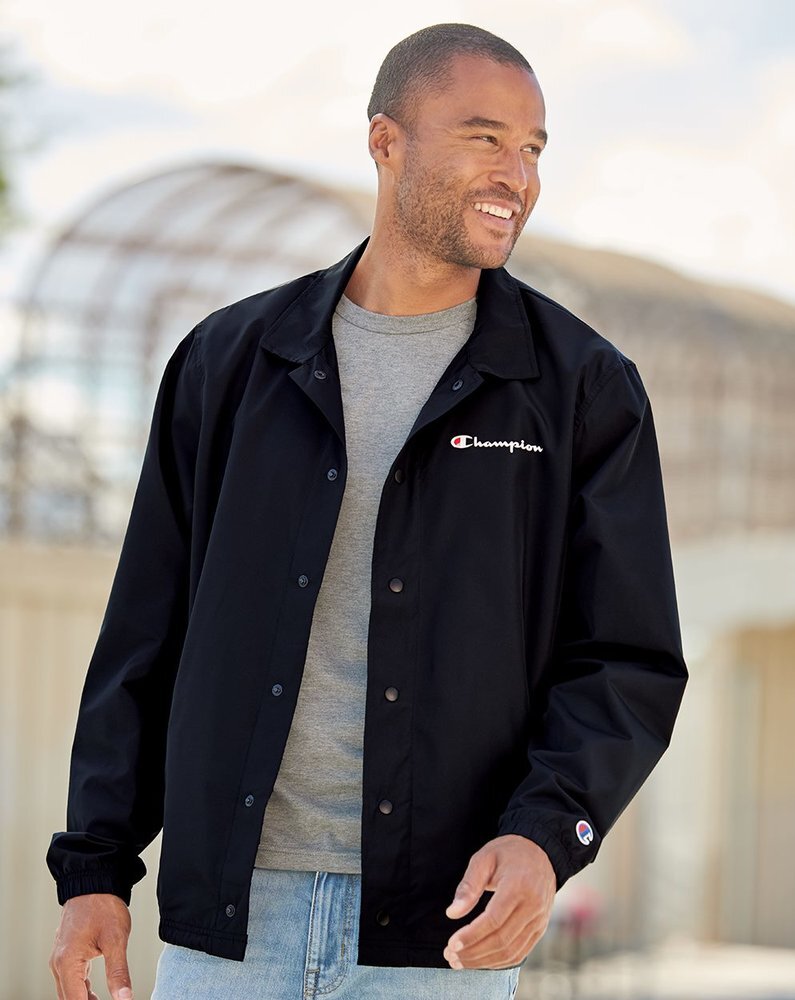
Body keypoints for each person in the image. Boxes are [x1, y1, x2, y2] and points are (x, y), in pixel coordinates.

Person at [46, 22, 688, 1000]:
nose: (515, 174)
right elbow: (146, 631)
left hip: (442, 934)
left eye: (532, 147)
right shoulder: (230, 363)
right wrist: (95, 863)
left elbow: (627, 658)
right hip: (230, 926)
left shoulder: (579, 389)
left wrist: (546, 833)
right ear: (386, 141)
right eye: (483, 137)